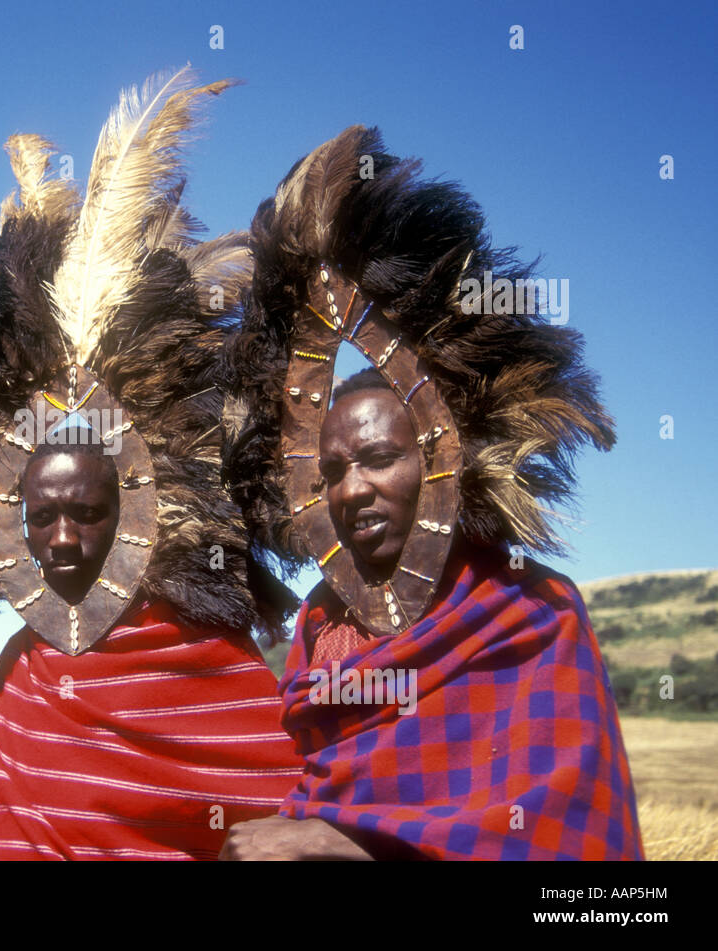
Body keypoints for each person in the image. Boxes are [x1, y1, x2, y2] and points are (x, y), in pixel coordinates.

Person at [219, 126, 644, 860]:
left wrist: (349, 849)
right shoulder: (321, 626)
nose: (352, 489)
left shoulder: (529, 614)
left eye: (380, 457)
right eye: (330, 472)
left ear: (438, 462)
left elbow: (579, 868)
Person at [0, 67, 304, 860]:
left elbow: (270, 818)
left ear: (129, 509)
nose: (58, 537)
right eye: (40, 515)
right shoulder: (22, 674)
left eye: (84, 512)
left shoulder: (209, 667)